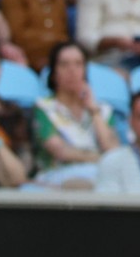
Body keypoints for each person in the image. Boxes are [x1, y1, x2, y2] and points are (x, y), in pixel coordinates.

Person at [31, 40, 120, 188]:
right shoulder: (43, 107)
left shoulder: (102, 109)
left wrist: (93, 111)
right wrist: (100, 158)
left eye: (78, 64)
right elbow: (61, 152)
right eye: (64, 65)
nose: (72, 70)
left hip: (100, 175)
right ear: (53, 73)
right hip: (59, 176)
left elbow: (112, 150)